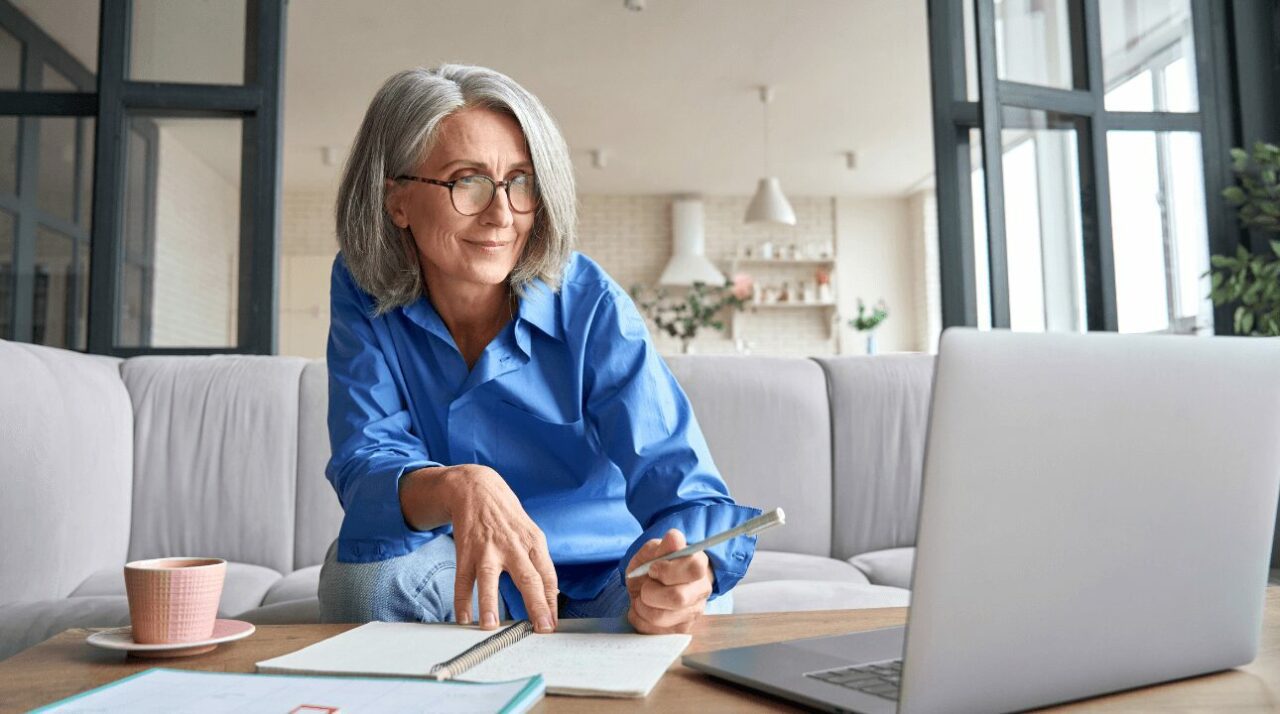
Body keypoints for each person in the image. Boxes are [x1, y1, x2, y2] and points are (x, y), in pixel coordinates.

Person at [318, 64, 760, 636]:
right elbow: (366, 459)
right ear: (397, 199)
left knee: (694, 609)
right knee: (363, 584)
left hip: (607, 576)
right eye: (467, 181)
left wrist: (688, 569)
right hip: (458, 572)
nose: (502, 214)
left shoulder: (591, 301)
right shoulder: (361, 286)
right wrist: (458, 485)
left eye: (520, 182)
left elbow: (681, 485)